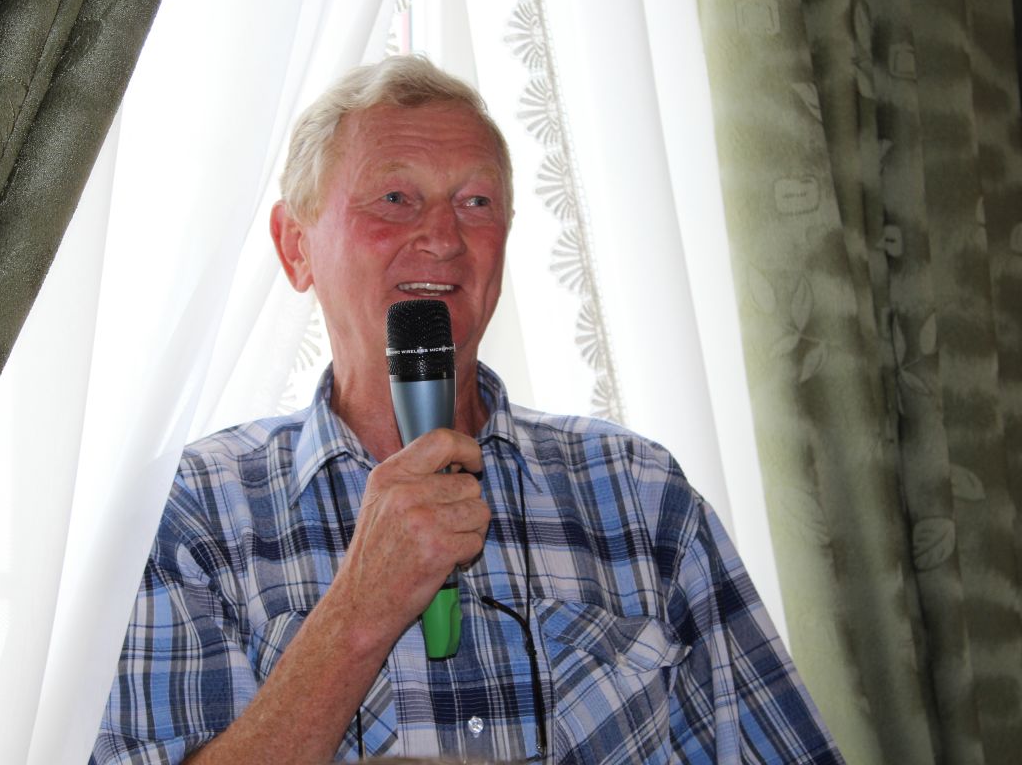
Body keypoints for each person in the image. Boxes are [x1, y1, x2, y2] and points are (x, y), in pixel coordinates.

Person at [91, 55, 844, 764]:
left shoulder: (640, 492)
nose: (444, 238)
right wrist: (358, 612)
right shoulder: (193, 512)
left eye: (475, 203)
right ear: (296, 248)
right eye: (395, 199)